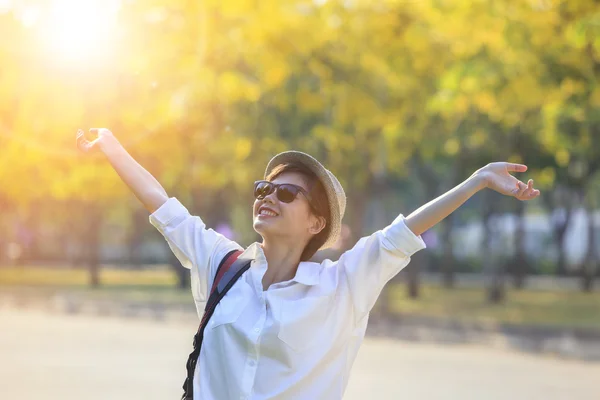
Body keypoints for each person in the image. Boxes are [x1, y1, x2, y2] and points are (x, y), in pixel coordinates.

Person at [76, 128, 540, 400]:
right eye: (263, 188)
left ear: (316, 220)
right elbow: (164, 206)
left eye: (286, 193)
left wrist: (475, 182)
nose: (267, 197)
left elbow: (401, 233)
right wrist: (112, 145)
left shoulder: (341, 287)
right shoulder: (223, 266)